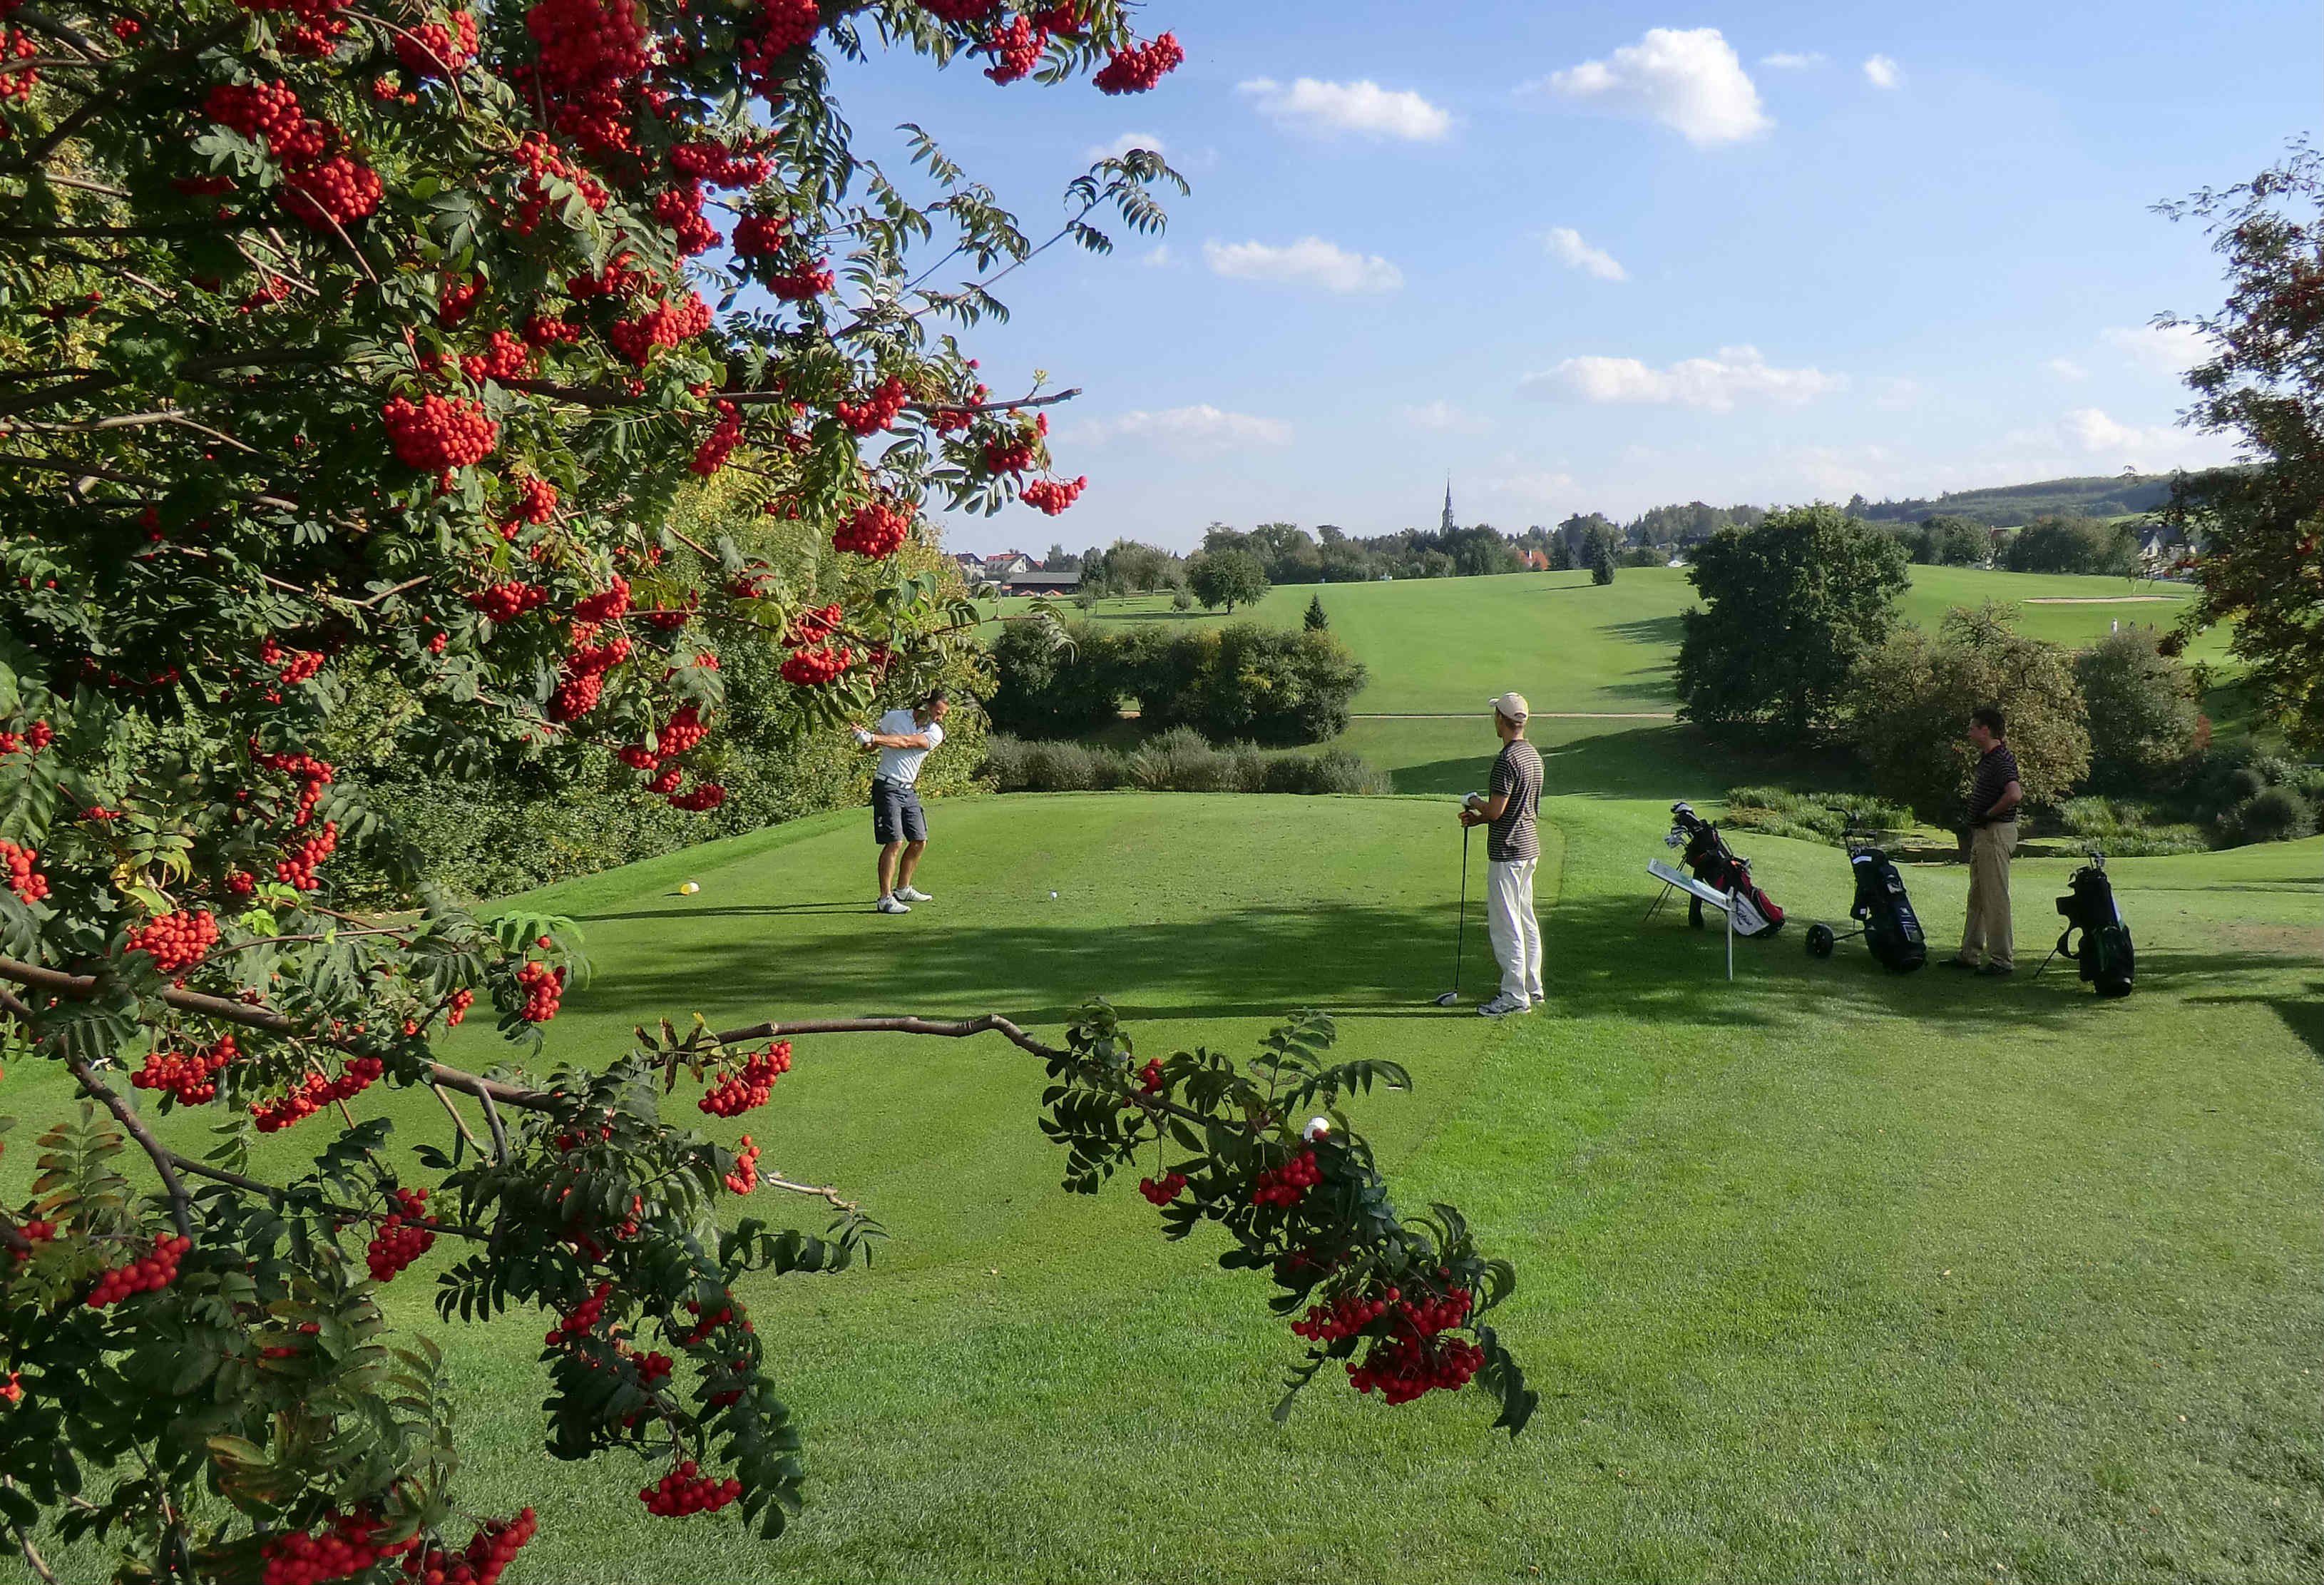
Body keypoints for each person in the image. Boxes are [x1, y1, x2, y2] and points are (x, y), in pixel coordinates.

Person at [1459, 692, 1545, 1017]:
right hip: (1528, 848)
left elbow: (1497, 810)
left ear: (1501, 720)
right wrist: (1480, 819)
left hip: (1507, 853)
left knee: (1506, 925)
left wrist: (1474, 801)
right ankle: (1533, 988)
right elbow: (1514, 811)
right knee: (1526, 920)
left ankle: (1513, 996)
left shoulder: (1507, 760)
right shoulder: (1533, 755)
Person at [851, 688, 951, 915]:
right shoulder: (894, 717)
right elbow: (871, 746)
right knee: (894, 842)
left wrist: (874, 737)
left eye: (943, 714)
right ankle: (885, 899)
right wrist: (862, 737)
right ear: (926, 705)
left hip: (908, 790)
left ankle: (903, 889)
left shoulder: (935, 733)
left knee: (919, 840)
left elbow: (906, 742)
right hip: (887, 787)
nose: (939, 718)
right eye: (938, 712)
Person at [1949, 704, 2022, 976]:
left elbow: (2014, 794)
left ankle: (2002, 961)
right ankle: (1969, 954)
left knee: (1995, 898)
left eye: (1972, 727)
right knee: (1977, 897)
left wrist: (1988, 814)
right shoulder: (1989, 758)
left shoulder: (2001, 759)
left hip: (1995, 834)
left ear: (1985, 730)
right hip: (1984, 835)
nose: (1969, 733)